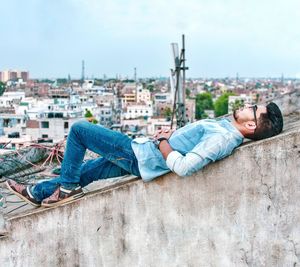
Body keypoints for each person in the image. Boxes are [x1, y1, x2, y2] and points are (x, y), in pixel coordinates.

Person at [6, 102, 283, 207]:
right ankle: (37, 192)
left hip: (142, 155)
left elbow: (185, 166)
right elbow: (186, 145)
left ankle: (65, 189)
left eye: (253, 109)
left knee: (79, 131)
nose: (248, 105)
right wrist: (171, 137)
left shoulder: (223, 138)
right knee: (87, 172)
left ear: (251, 125)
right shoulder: (224, 129)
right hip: (143, 157)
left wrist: (163, 142)